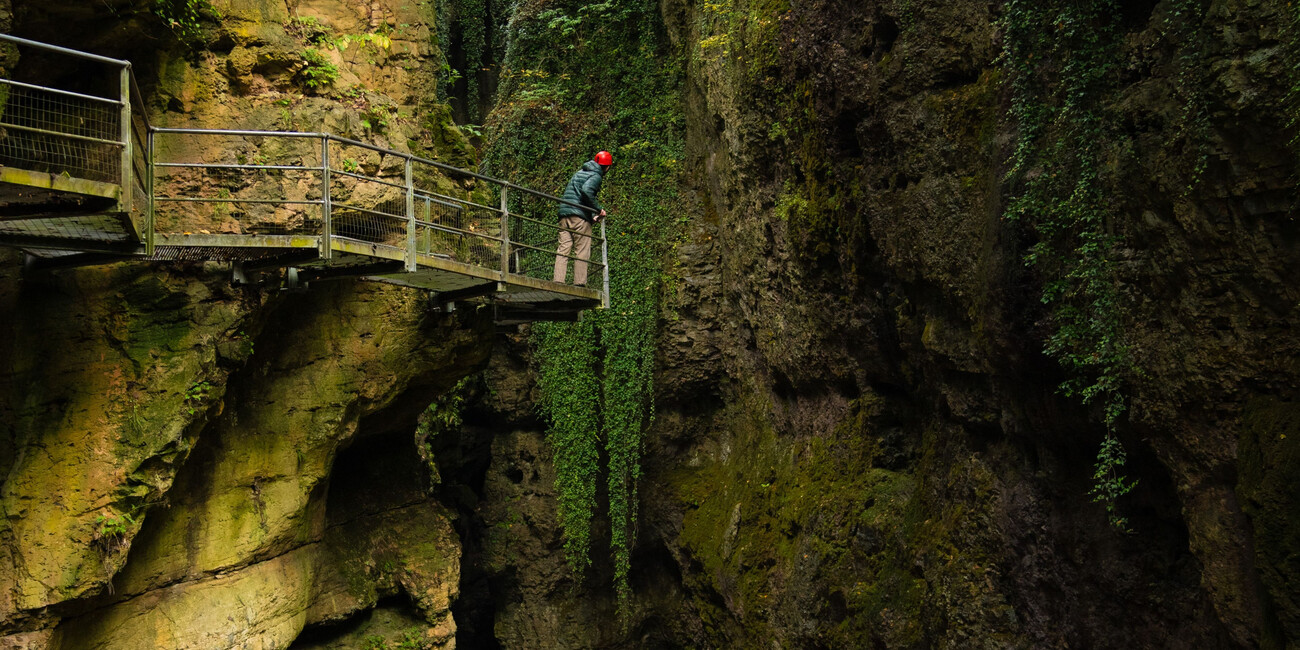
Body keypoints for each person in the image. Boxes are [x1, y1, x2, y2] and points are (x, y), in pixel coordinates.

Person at [553, 150, 611, 286]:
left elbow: (577, 194)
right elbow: (586, 191)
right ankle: (579, 283)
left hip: (564, 215)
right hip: (579, 217)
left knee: (563, 249)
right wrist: (598, 209)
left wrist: (592, 217)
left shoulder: (579, 172)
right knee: (582, 249)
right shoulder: (596, 176)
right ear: (607, 167)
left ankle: (558, 281)